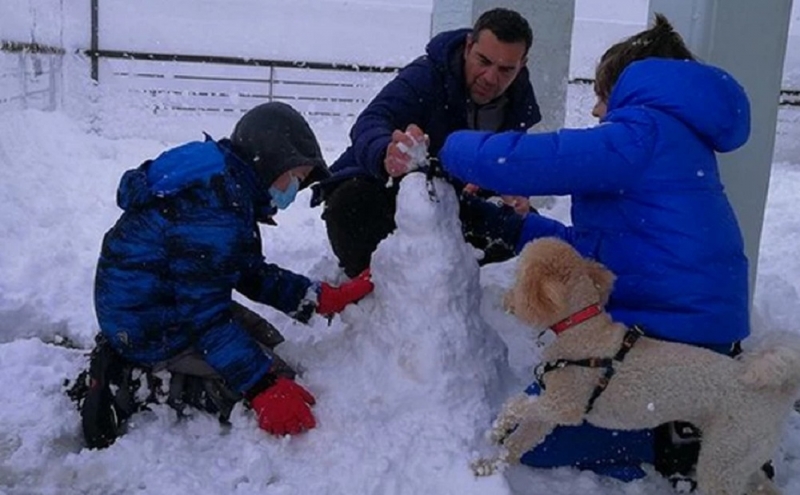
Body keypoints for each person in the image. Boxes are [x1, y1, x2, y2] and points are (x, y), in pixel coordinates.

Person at [438, 14, 753, 484]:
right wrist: (513, 225)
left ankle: (682, 432)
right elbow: (594, 253)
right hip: (692, 335)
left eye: (603, 96)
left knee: (534, 433)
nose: (596, 112)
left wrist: (447, 143)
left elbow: (532, 162)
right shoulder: (676, 139)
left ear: (628, 87)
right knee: (545, 410)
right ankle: (688, 413)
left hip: (673, 343)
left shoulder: (643, 131)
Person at [80, 102, 374, 448]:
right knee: (265, 379)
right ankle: (132, 380)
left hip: (164, 301)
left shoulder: (228, 189)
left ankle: (141, 355)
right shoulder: (215, 209)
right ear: (271, 159)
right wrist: (260, 387)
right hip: (150, 322)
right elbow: (204, 317)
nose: (294, 190)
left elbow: (246, 271)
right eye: (295, 177)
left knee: (267, 339)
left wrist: (318, 298)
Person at [312, 7, 541, 277]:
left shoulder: (518, 106)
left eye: (505, 69)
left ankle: (460, 288)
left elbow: (505, 170)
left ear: (522, 65)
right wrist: (386, 153)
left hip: (454, 204)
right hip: (384, 190)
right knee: (350, 202)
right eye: (483, 61)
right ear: (468, 46)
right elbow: (371, 121)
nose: (491, 78)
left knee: (523, 228)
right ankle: (378, 292)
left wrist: (508, 192)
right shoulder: (427, 76)